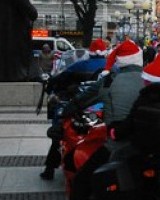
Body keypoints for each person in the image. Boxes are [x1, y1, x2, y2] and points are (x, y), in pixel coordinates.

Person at [55, 39, 144, 200]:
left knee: (82, 182)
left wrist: (65, 111)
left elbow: (84, 99)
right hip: (149, 145)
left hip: (118, 146)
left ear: (119, 61)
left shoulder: (110, 80)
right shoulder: (152, 79)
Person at [39, 38, 109, 181]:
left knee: (60, 132)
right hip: (104, 108)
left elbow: (59, 78)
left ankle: (50, 169)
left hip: (80, 106)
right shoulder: (113, 68)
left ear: (90, 52)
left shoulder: (81, 65)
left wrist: (51, 87)